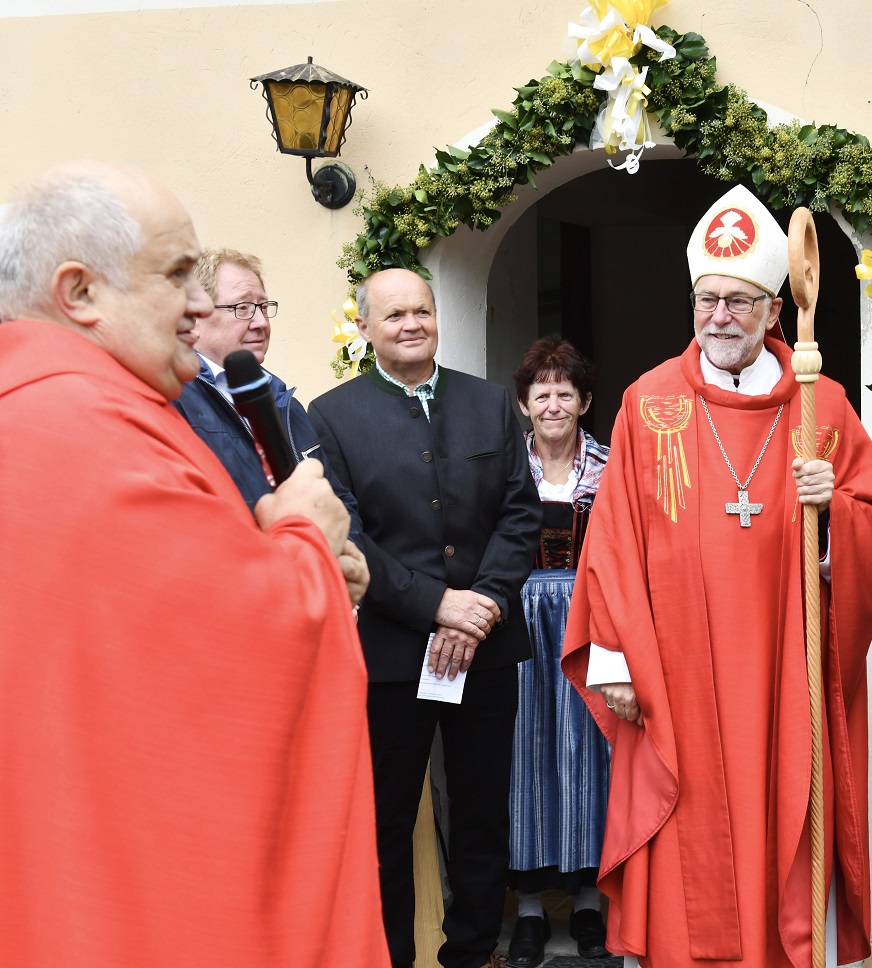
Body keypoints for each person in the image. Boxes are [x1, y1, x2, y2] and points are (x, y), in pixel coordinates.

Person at [0, 162, 385, 965]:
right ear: (80, 293)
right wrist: (310, 543)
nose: (203, 304)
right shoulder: (82, 430)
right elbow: (236, 650)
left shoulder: (77, 404)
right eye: (178, 275)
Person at [560, 184, 872, 968]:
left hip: (785, 676)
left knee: (783, 825)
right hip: (676, 672)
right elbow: (612, 541)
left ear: (775, 311)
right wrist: (613, 662)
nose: (720, 316)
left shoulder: (825, 407)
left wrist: (833, 516)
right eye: (706, 299)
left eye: (739, 301)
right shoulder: (649, 405)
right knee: (692, 842)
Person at [309, 267, 543, 968]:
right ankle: (391, 957)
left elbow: (519, 513)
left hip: (489, 648)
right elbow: (347, 534)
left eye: (422, 311)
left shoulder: (491, 402)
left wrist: (481, 607)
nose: (411, 325)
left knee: (481, 814)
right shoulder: (332, 416)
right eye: (394, 316)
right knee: (386, 823)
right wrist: (434, 604)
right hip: (389, 655)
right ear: (365, 329)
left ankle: (472, 951)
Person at [505, 337, 612, 968]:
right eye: (541, 392)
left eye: (564, 392)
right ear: (524, 404)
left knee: (592, 753)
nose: (552, 403)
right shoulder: (503, 469)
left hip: (590, 621)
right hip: (517, 625)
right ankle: (527, 912)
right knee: (524, 757)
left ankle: (592, 905)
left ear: (584, 401)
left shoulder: (609, 465)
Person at [173, 247, 361, 539]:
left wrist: (346, 563)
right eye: (243, 308)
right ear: (195, 316)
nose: (261, 322)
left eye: (263, 307)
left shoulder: (285, 402)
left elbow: (340, 502)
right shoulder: (175, 398)